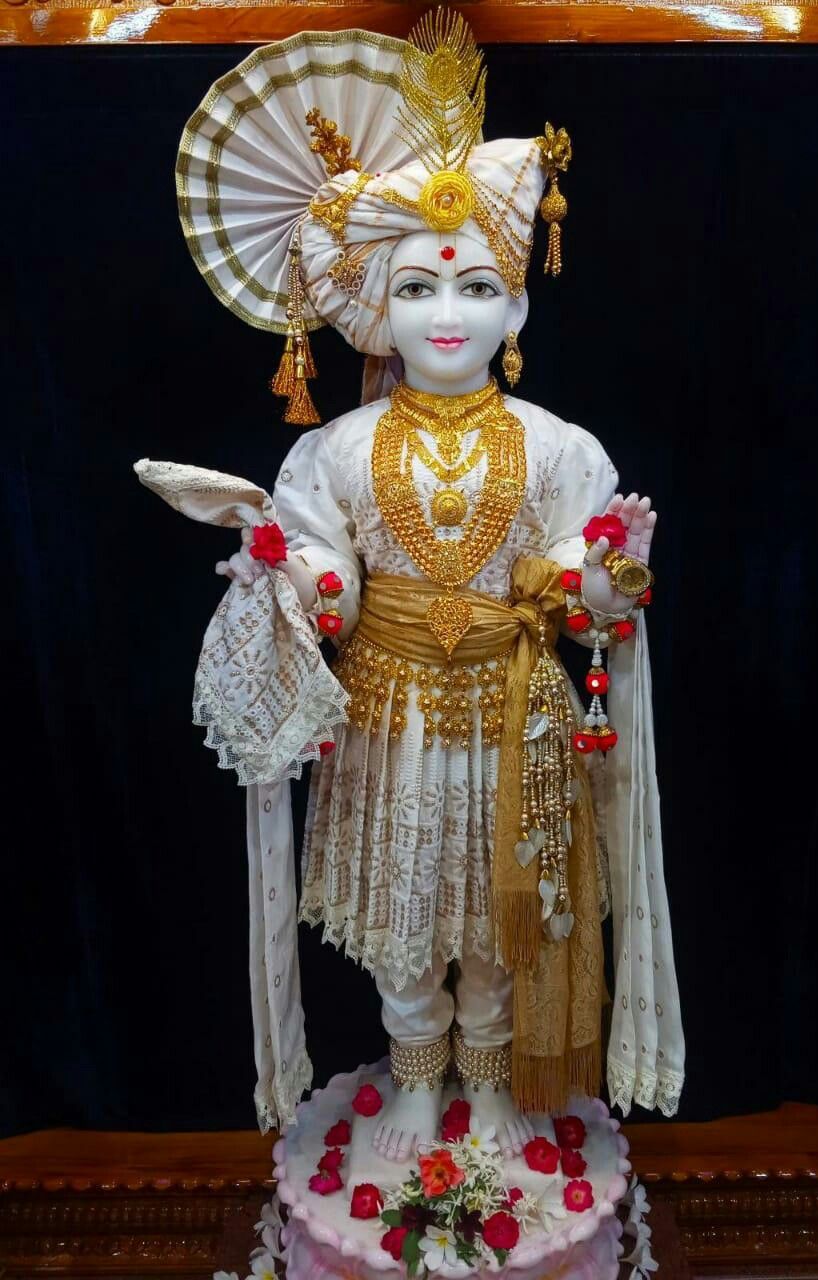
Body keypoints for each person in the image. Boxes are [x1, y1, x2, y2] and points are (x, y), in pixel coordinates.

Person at [165, 10, 684, 1158]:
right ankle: (413, 1074)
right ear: (376, 311)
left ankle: (491, 1079)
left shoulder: (559, 446)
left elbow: (561, 573)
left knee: (503, 919)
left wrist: (598, 589)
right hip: (386, 720)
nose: (444, 315)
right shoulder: (335, 450)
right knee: (404, 918)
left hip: (518, 718)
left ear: (515, 309)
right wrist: (293, 577)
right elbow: (327, 563)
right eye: (415, 289)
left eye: (473, 286)